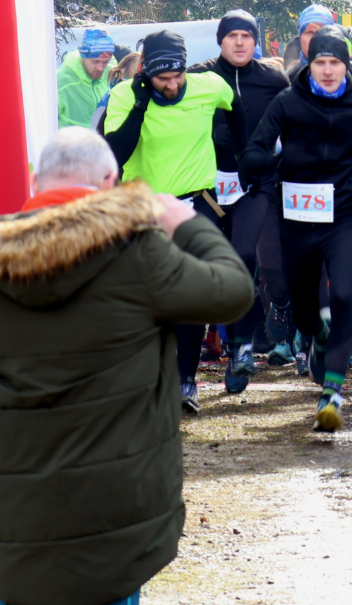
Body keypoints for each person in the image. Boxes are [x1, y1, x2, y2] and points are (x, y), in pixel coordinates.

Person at [0, 128, 252, 605]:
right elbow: (233, 291)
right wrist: (188, 226)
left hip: (13, 519)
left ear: (35, 182)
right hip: (114, 515)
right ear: (110, 182)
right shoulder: (137, 251)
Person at [241, 26, 352, 432]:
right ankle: (317, 333)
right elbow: (256, 149)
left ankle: (332, 391)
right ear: (309, 65)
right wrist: (270, 164)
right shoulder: (288, 102)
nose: (328, 71)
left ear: (346, 66)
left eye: (335, 63)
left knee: (344, 293)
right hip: (296, 219)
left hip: (344, 216)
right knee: (306, 310)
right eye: (321, 63)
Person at [102, 29, 245, 414]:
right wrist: (141, 105)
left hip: (194, 207)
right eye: (162, 78)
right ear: (146, 71)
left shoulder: (208, 85)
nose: (171, 84)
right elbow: (114, 154)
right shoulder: (125, 95)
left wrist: (244, 155)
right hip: (142, 209)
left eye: (177, 76)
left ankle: (185, 381)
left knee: (189, 297)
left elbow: (236, 108)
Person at [188, 9, 291, 393]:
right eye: (231, 36)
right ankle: (230, 348)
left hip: (255, 184)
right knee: (212, 266)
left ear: (255, 41)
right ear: (220, 41)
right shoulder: (199, 76)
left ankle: (244, 345)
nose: (239, 42)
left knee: (244, 256)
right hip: (208, 185)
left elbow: (291, 127)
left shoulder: (273, 79)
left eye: (246, 36)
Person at [286, 5, 352, 85]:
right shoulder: (288, 80)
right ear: (300, 38)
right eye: (309, 32)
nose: (315, 37)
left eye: (322, 30)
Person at [58, 27, 114, 128]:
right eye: (95, 61)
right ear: (83, 56)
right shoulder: (61, 81)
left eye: (105, 62)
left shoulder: (112, 76)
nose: (100, 68)